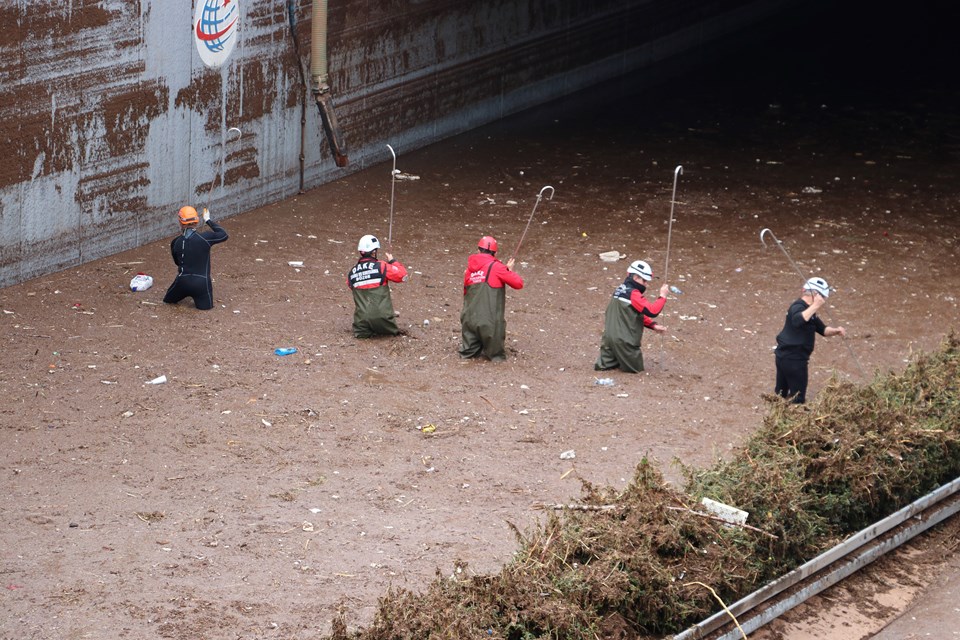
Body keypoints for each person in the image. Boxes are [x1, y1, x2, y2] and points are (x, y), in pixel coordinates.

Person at [774, 276, 847, 404]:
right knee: (797, 397)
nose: (824, 300)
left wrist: (836, 331)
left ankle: (779, 415)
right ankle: (790, 419)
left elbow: (823, 330)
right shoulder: (798, 307)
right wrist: (816, 305)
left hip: (786, 357)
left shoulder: (810, 312)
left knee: (780, 394)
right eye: (823, 297)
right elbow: (797, 321)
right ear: (815, 294)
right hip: (793, 360)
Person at [594, 260, 668, 373]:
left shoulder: (619, 290)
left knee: (603, 367)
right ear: (636, 277)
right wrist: (662, 296)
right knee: (636, 370)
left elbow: (631, 314)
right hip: (625, 342)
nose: (646, 284)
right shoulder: (633, 294)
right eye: (644, 281)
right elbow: (652, 311)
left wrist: (653, 325)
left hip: (608, 340)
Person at [459, 235, 524, 361]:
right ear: (495, 253)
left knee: (467, 354)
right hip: (489, 324)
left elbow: (465, 293)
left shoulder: (468, 271)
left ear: (478, 250)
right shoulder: (498, 268)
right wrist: (508, 271)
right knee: (496, 357)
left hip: (468, 321)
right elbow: (518, 283)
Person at [163, 206, 229, 310]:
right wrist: (208, 220)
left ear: (180, 222)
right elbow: (224, 235)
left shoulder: (175, 242)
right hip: (202, 284)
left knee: (167, 301)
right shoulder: (205, 238)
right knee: (206, 309)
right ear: (197, 221)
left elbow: (177, 262)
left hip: (182, 282)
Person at [347, 234, 408, 338]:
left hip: (361, 325)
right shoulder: (381, 266)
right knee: (388, 333)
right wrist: (393, 261)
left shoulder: (351, 273)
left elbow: (350, 285)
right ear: (374, 252)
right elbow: (403, 276)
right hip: (384, 321)